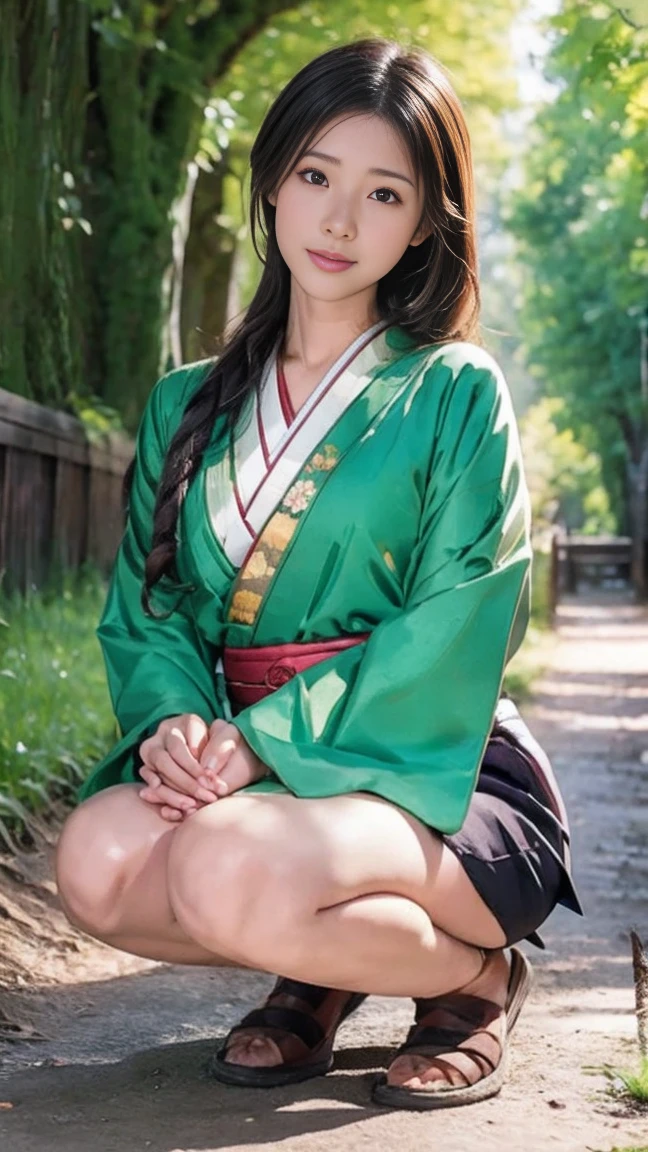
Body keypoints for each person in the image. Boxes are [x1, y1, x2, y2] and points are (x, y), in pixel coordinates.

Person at [55, 37, 582, 1111]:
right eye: (315, 177)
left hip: (439, 776)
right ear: (272, 180)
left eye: (383, 193)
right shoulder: (184, 404)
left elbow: (459, 621)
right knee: (97, 861)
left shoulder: (453, 391)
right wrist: (178, 729)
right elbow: (153, 609)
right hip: (260, 781)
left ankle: (475, 976)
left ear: (427, 220)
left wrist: (260, 744)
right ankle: (330, 961)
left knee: (223, 866)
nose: (340, 222)